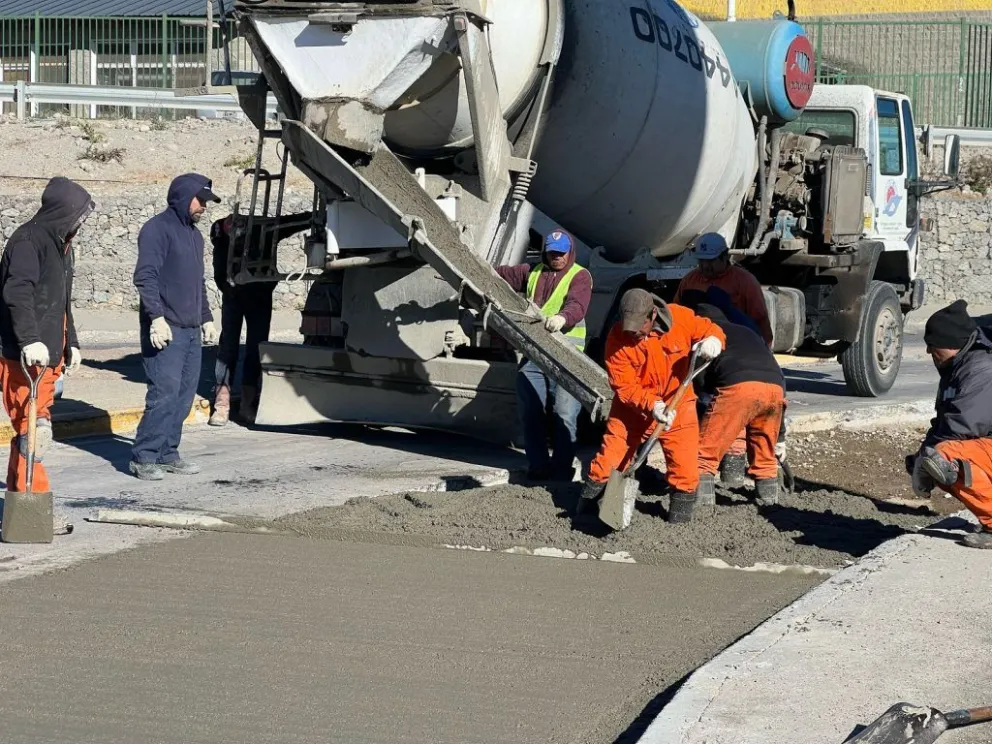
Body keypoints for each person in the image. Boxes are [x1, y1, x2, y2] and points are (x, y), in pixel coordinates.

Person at [576, 288, 725, 523]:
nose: (634, 334)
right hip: (631, 410)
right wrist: (652, 404)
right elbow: (624, 386)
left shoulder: (681, 319)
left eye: (639, 328)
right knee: (607, 463)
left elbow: (710, 329)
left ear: (652, 315)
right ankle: (584, 514)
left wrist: (713, 340)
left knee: (685, 470)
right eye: (629, 329)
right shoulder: (617, 339)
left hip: (679, 402)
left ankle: (678, 522)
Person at [0, 177, 93, 493]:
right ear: (62, 211)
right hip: (22, 358)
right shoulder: (29, 240)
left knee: (31, 432)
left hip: (51, 357)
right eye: (78, 217)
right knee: (34, 432)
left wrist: (73, 344)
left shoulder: (63, 247)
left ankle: (19, 501)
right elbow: (17, 291)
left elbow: (62, 302)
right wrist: (28, 339)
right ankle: (35, 503)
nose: (80, 224)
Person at [130, 173, 220, 480]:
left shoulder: (195, 237)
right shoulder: (157, 230)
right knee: (164, 394)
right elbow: (146, 276)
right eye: (201, 201)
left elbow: (198, 284)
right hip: (166, 330)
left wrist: (206, 317)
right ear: (183, 197)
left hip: (192, 330)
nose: (204, 208)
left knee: (183, 397)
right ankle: (144, 456)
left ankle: (168, 452)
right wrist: (156, 317)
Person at [496, 229, 592, 481]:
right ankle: (537, 466)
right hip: (536, 354)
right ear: (545, 252)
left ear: (570, 252)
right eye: (552, 253)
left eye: (561, 254)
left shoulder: (579, 275)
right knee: (531, 411)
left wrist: (563, 317)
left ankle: (561, 470)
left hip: (567, 356)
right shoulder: (533, 271)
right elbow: (501, 275)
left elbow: (578, 305)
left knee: (564, 413)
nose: (556, 258)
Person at [908, 300, 992, 549]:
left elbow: (961, 427)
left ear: (953, 344)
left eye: (933, 346)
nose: (929, 352)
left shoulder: (981, 372)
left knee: (942, 458)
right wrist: (920, 459)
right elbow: (944, 421)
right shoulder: (958, 368)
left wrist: (926, 460)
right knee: (934, 461)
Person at [687, 301, 786, 507]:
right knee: (765, 455)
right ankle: (769, 503)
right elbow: (776, 374)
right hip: (775, 388)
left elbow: (700, 381)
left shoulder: (705, 334)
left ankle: (702, 507)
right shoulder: (746, 332)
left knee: (704, 453)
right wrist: (780, 437)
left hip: (739, 387)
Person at [208, 215, 276, 426]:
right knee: (228, 348)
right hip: (234, 296)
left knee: (256, 348)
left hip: (259, 295)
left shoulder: (263, 229)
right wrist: (230, 290)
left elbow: (288, 224)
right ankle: (222, 404)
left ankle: (248, 403)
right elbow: (219, 271)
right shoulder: (221, 235)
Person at [675, 233, 773, 346]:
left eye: (711, 261)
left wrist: (765, 348)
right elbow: (677, 315)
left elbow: (760, 319)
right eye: (701, 260)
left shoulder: (745, 281)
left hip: (735, 342)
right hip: (698, 342)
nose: (705, 266)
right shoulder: (689, 280)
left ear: (725, 256)